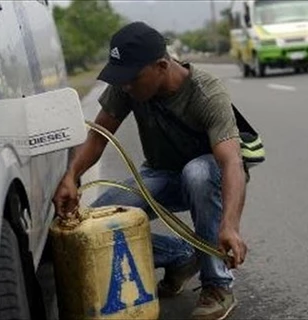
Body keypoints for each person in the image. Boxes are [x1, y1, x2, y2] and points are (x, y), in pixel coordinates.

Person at [52, 21, 248, 320]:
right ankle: (181, 256)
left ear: (161, 65)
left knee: (196, 173)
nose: (126, 85)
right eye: (121, 78)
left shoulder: (206, 93)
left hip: (210, 176)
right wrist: (70, 176)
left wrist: (230, 225)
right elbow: (98, 137)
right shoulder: (126, 87)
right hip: (161, 174)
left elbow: (232, 162)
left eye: (132, 78)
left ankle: (217, 285)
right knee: (94, 226)